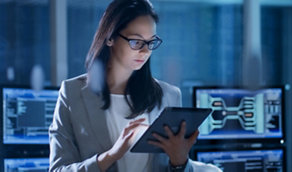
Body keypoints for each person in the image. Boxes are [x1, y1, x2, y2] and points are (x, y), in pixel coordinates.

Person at [48, 0, 221, 171]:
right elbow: (57, 170)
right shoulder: (72, 93)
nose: (145, 51)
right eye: (136, 42)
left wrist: (180, 162)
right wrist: (111, 156)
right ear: (110, 38)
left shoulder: (169, 95)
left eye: (151, 42)